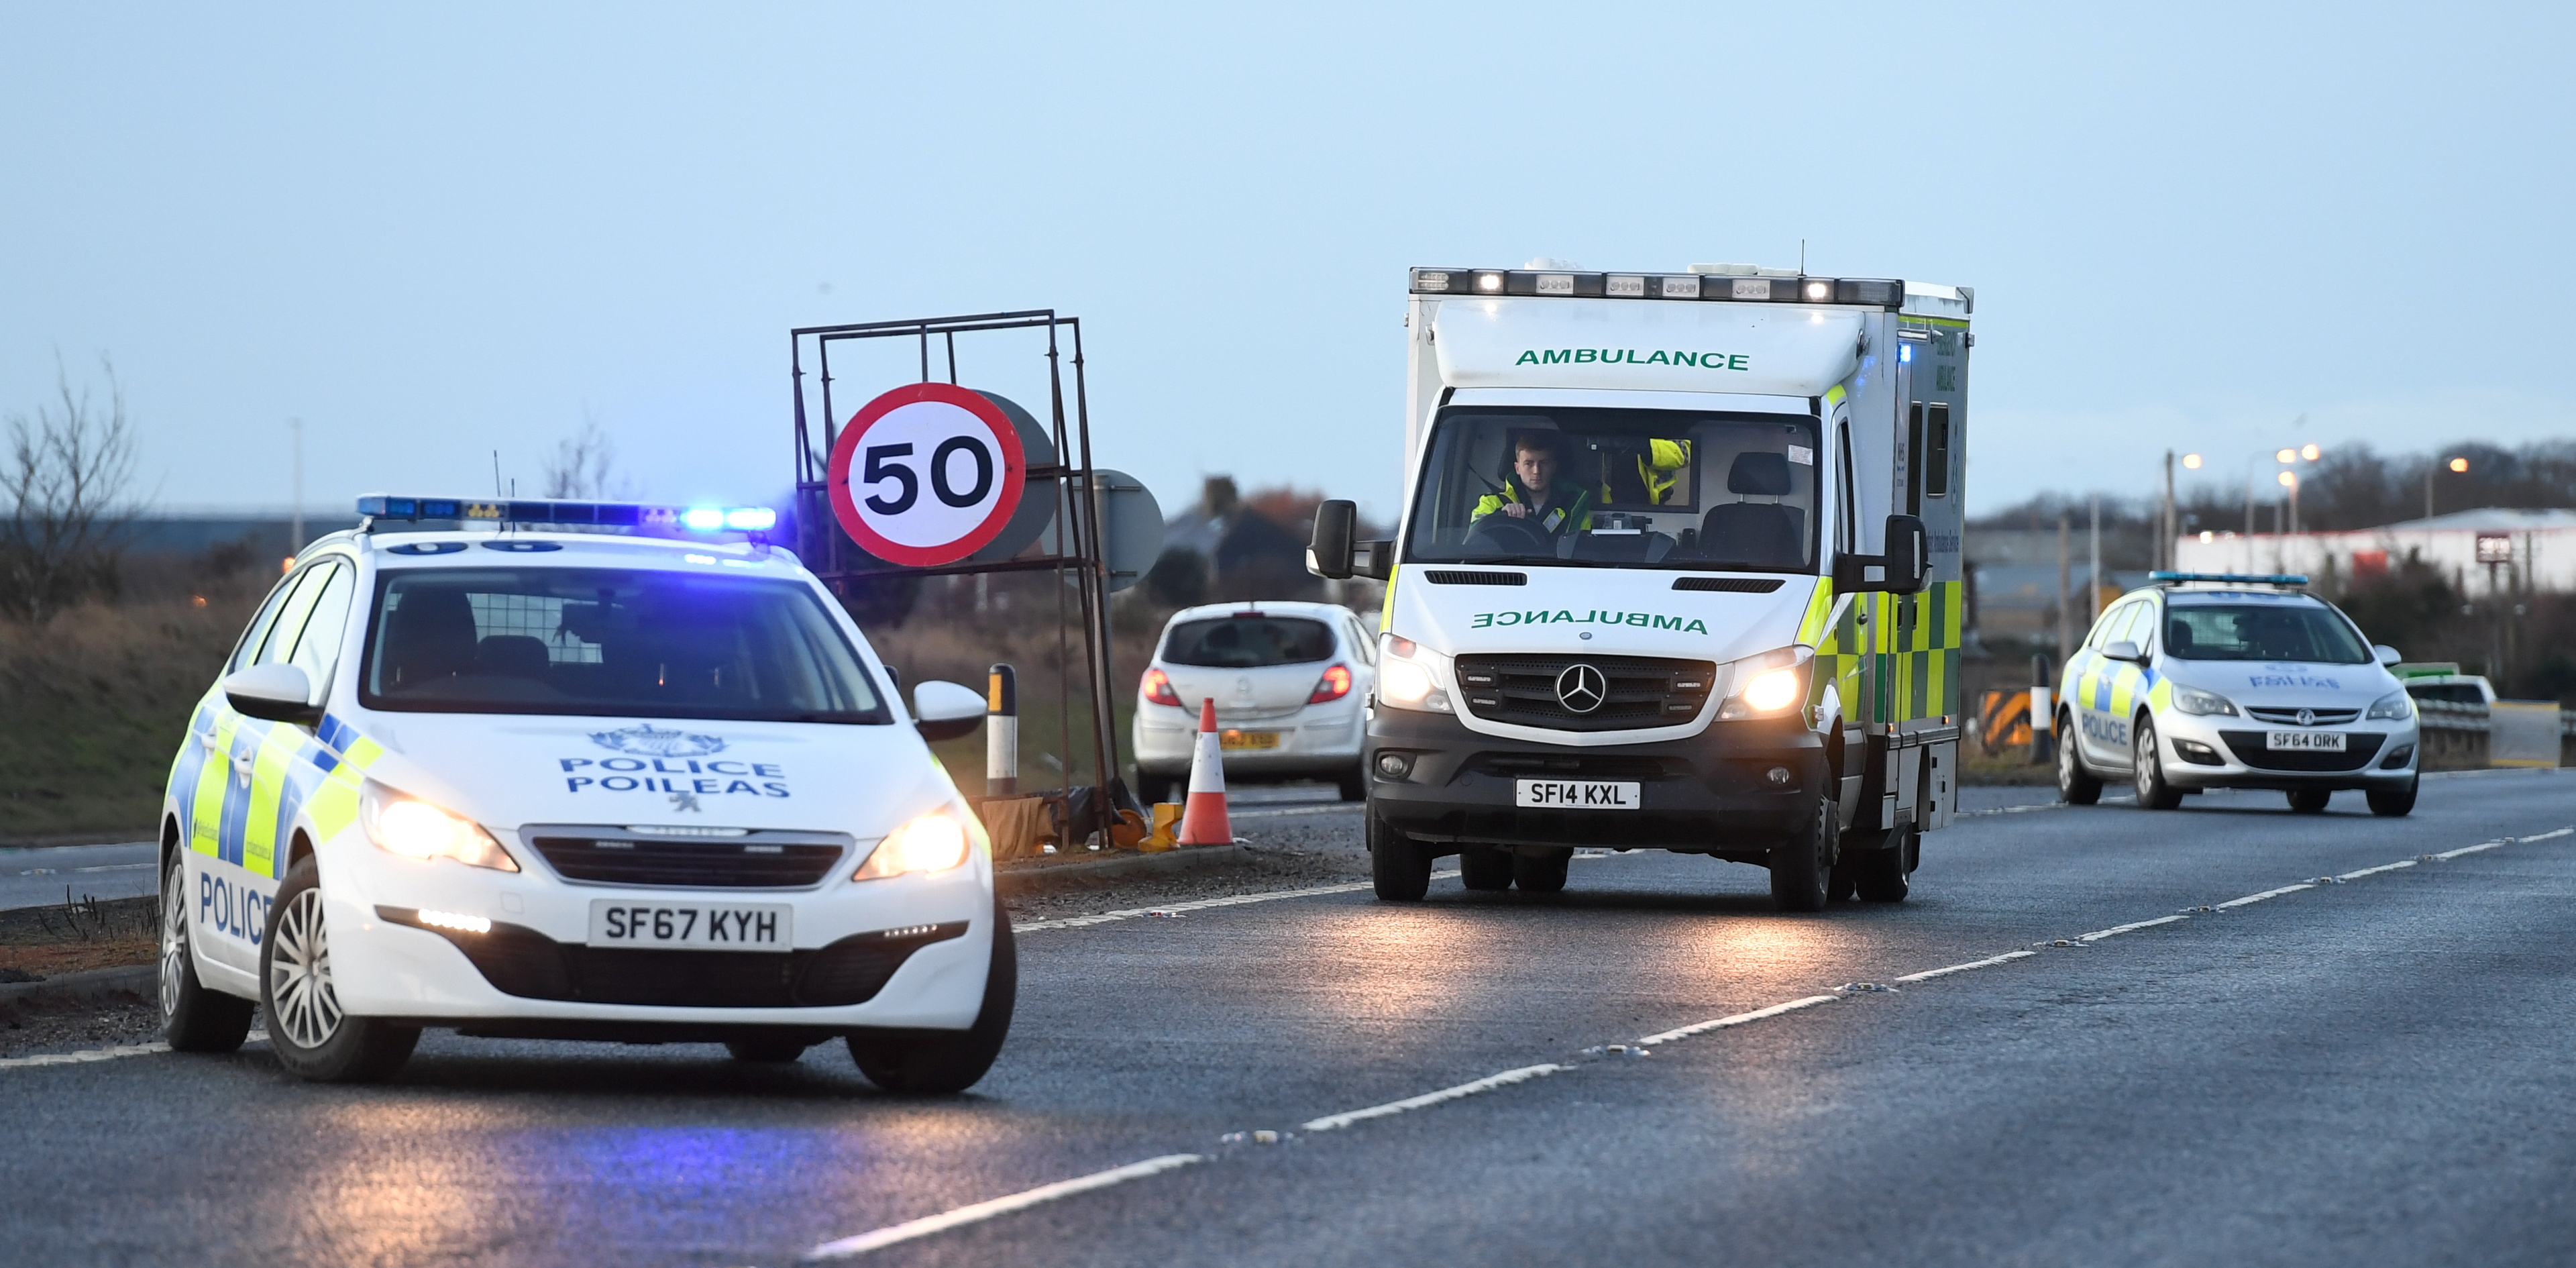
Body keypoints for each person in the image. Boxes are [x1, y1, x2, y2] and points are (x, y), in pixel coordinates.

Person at [1472, 432, 1593, 539]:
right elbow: (1474, 539)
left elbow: (1583, 548)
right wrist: (1500, 515)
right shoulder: (1493, 503)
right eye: (1529, 464)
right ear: (1518, 468)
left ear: (1554, 467)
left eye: (1544, 463)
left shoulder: (1575, 506)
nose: (1537, 471)